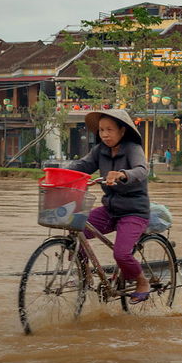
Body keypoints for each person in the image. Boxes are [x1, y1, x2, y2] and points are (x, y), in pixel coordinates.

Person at [67, 109, 152, 303]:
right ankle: (84, 274)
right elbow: (82, 166)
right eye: (101, 130)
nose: (105, 134)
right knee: (74, 230)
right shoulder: (100, 150)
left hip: (134, 211)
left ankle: (141, 281)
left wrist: (122, 174)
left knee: (121, 254)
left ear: (122, 131)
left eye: (110, 130)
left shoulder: (132, 148)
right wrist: (58, 172)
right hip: (109, 209)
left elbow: (141, 170)